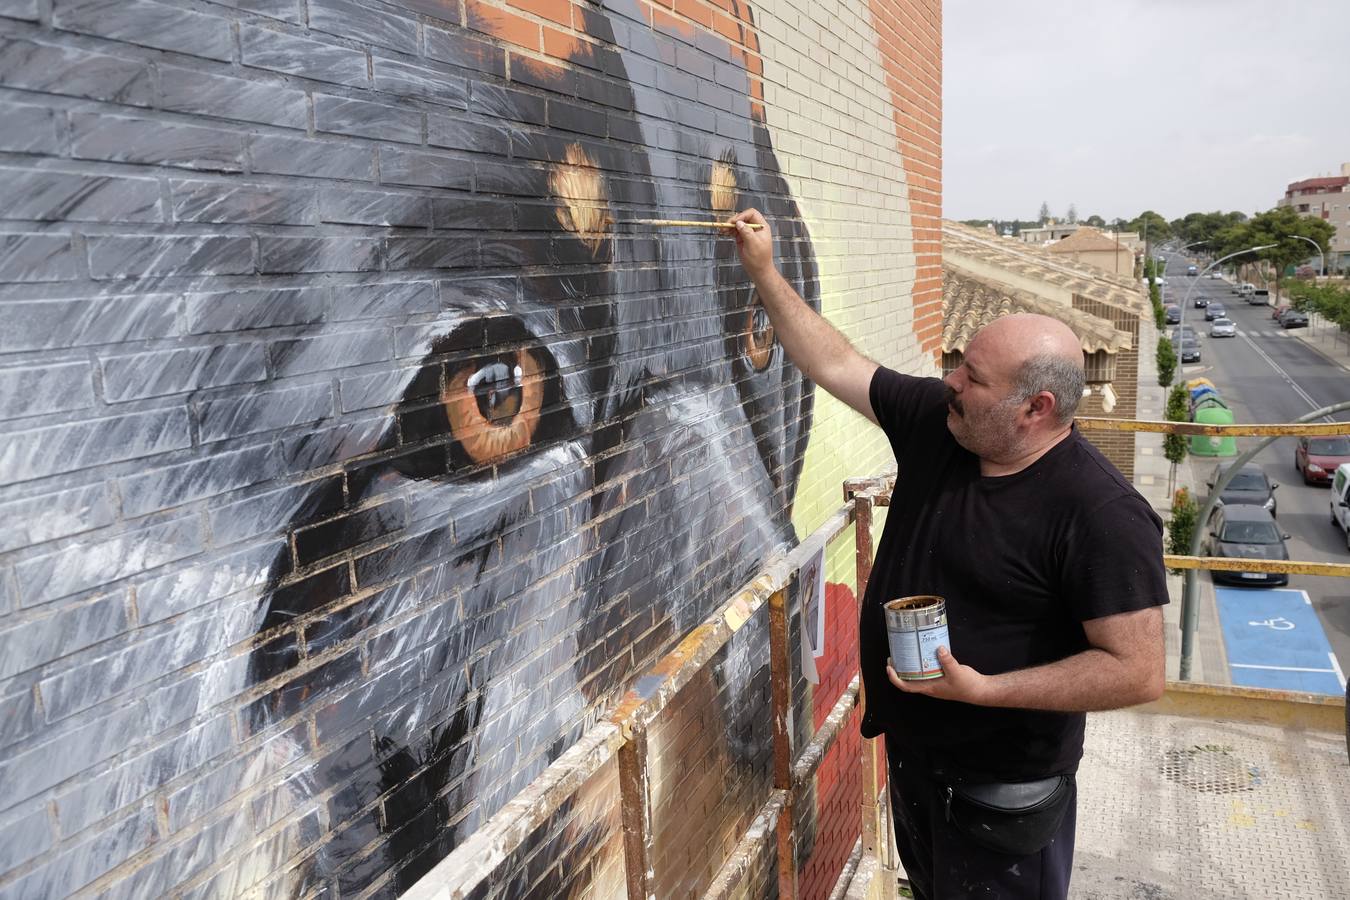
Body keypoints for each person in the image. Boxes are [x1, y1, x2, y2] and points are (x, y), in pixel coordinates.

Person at [729, 208, 1167, 899]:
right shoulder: (944, 426)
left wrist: (987, 691)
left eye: (974, 377)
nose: (952, 381)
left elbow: (1137, 671)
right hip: (917, 765)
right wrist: (762, 269)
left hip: (1002, 793)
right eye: (959, 363)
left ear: (1035, 408)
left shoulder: (1101, 514)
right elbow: (835, 361)